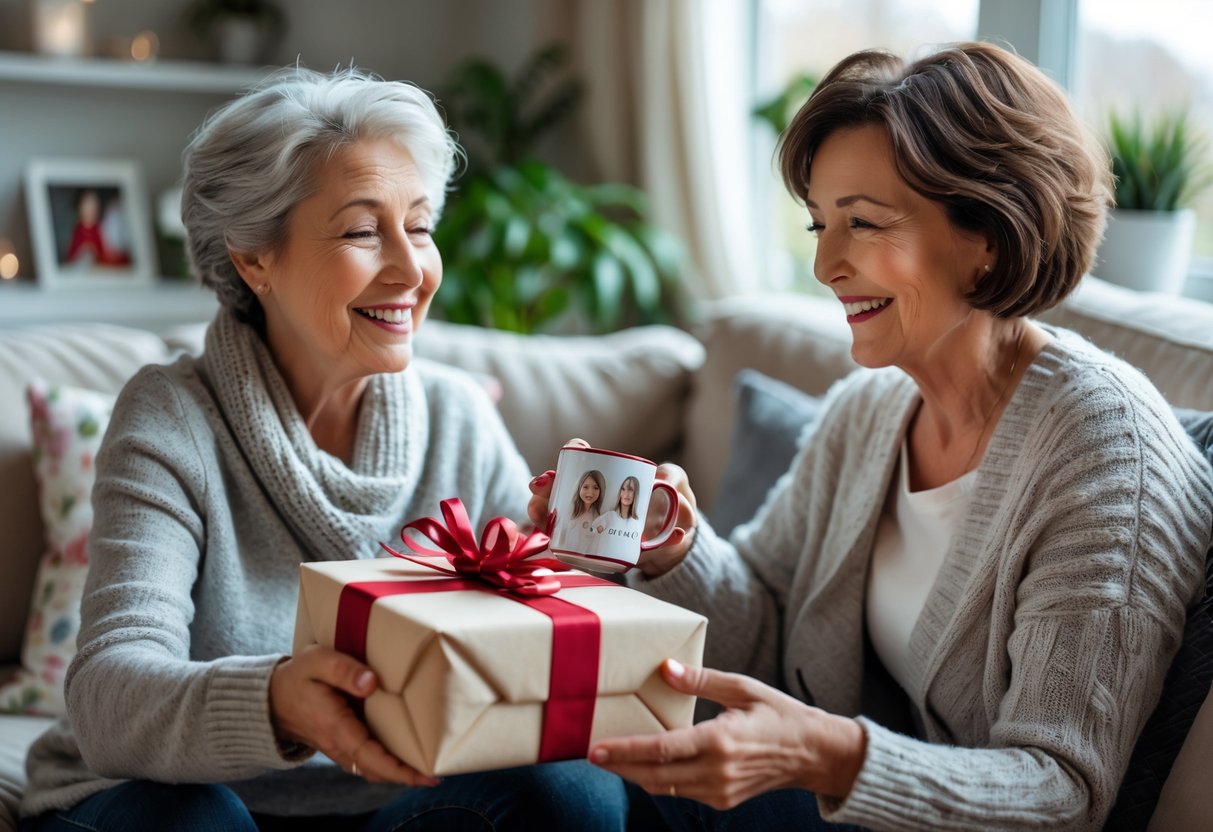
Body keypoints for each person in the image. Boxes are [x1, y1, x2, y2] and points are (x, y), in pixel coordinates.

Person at [529, 42, 1213, 831]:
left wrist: (830, 758)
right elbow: (760, 624)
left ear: (986, 232)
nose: (823, 263)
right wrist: (672, 550)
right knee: (537, 778)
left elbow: (1061, 790)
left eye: (862, 222)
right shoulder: (866, 411)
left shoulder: (1103, 454)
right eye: (820, 223)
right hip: (801, 809)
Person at [20, 67, 626, 831]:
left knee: (569, 795)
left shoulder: (457, 414)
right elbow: (110, 696)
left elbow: (538, 635)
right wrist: (276, 698)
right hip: (169, 793)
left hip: (387, 801)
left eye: (421, 225)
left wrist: (583, 557)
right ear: (253, 259)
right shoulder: (173, 418)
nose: (411, 270)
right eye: (363, 231)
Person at [551, 469, 607, 554]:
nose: (590, 492)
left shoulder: (600, 518)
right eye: (586, 487)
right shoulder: (567, 511)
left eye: (596, 488)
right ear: (579, 487)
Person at [593, 476, 643, 554]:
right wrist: (596, 531)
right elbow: (590, 531)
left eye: (630, 490)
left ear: (635, 494)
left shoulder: (636, 525)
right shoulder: (609, 516)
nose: (626, 493)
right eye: (623, 489)